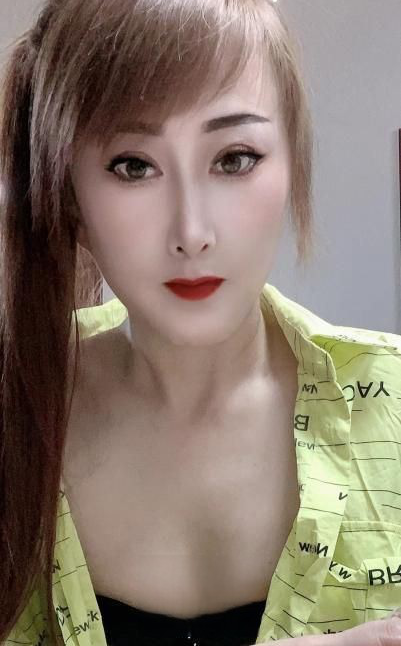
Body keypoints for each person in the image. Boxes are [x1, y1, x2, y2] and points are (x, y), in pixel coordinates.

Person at [1, 0, 401, 645]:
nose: (192, 232)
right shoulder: (13, 406)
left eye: (234, 158)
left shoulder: (394, 402)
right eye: (133, 165)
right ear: (67, 196)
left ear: (293, 163)